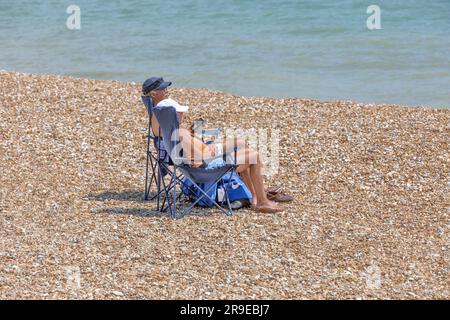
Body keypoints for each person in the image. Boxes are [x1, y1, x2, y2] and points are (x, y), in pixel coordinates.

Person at [143, 77, 289, 213]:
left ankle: (255, 198)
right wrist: (214, 149)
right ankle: (262, 200)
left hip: (199, 164)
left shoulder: (172, 129)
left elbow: (191, 152)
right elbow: (198, 160)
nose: (182, 114)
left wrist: (202, 143)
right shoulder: (180, 134)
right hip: (205, 170)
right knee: (253, 155)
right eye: (179, 112)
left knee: (244, 151)